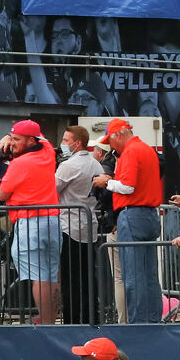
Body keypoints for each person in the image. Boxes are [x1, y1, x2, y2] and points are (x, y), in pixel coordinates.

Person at [97, 119, 162, 323]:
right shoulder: (147, 149)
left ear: (118, 135)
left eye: (110, 141)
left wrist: (106, 182)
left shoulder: (131, 152)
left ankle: (137, 323)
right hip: (150, 214)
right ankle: (151, 321)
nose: (110, 146)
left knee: (132, 276)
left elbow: (127, 187)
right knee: (149, 275)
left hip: (133, 214)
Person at [0, 120, 63, 324]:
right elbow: (41, 136)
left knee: (39, 276)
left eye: (17, 139)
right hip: (52, 221)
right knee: (51, 274)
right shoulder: (48, 153)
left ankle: (45, 321)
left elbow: (2, 194)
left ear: (30, 140)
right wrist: (12, 136)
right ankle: (51, 319)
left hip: (30, 223)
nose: (13, 143)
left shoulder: (20, 164)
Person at [56, 125, 106, 326]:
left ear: (77, 143)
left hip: (70, 226)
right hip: (89, 225)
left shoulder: (69, 166)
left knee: (70, 278)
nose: (63, 144)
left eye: (66, 141)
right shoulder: (96, 165)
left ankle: (73, 321)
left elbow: (52, 189)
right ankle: (91, 317)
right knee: (87, 277)